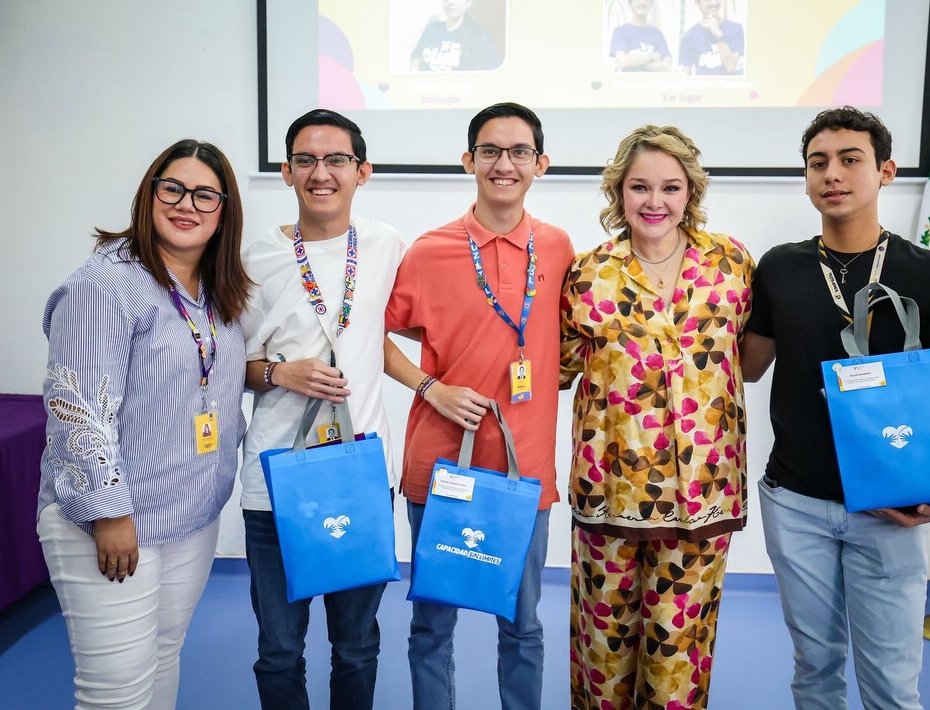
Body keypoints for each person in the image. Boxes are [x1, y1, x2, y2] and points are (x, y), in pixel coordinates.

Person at [741, 106, 930, 709]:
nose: (832, 175)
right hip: (795, 501)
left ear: (885, 172)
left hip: (889, 505)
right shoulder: (780, 267)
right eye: (818, 163)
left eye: (850, 160)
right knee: (814, 669)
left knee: (891, 684)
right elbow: (747, 366)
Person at [37, 139, 250, 709]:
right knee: (115, 694)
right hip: (114, 521)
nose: (186, 204)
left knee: (163, 657)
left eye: (205, 194)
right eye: (172, 188)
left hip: (189, 514)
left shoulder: (215, 288)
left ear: (224, 210)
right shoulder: (105, 285)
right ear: (149, 194)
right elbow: (78, 406)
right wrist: (108, 513)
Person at [384, 102, 575, 710]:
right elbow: (371, 337)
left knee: (522, 625)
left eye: (520, 152)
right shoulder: (429, 251)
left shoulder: (558, 247)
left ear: (541, 164)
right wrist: (429, 387)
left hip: (524, 471)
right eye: (490, 151)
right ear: (469, 161)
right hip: (443, 466)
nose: (504, 164)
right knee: (432, 627)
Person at [561, 125, 753, 709]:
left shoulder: (731, 264)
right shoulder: (588, 273)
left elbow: (749, 354)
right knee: (604, 650)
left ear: (690, 191)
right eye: (639, 187)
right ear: (618, 191)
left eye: (670, 187)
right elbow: (559, 366)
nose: (654, 201)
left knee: (678, 656)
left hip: (703, 490)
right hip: (608, 489)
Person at [239, 109, 406, 710]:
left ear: (363, 171)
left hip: (361, 477)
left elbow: (383, 336)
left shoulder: (386, 246)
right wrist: (280, 373)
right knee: (279, 651)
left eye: (337, 159)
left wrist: (431, 386)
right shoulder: (256, 261)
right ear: (286, 172)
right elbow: (230, 366)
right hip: (276, 483)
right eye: (305, 160)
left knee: (356, 646)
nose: (321, 173)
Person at [410, 0, 497, 72]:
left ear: (469, 2)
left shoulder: (479, 37)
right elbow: (416, 63)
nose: (451, 2)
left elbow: (488, 76)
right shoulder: (431, 29)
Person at [679, 0, 745, 76]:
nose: (714, 3)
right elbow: (685, 72)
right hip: (703, 83)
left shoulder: (735, 28)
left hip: (728, 83)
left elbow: (731, 67)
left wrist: (719, 36)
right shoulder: (689, 36)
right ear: (697, 3)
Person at [608, 0, 673, 72]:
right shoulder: (620, 32)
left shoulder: (658, 34)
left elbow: (668, 66)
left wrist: (633, 61)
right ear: (630, 4)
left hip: (652, 79)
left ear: (651, 4)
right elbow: (622, 62)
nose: (642, 2)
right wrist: (651, 57)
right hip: (629, 79)